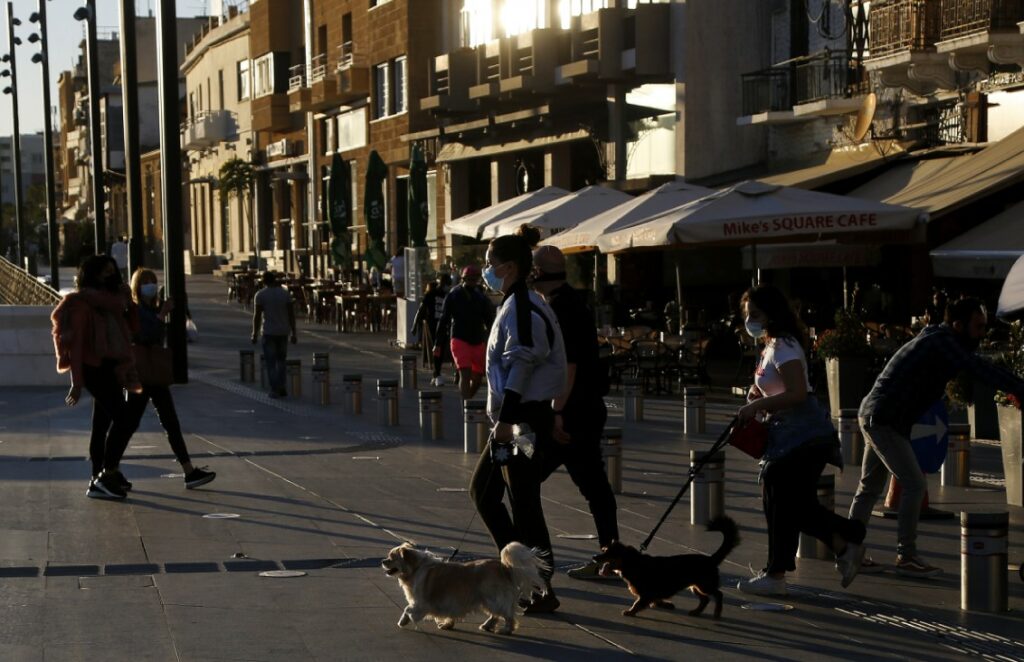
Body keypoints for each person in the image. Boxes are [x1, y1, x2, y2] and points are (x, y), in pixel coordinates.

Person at [849, 297, 1024, 577]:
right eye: (978, 327)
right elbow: (979, 368)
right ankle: (906, 554)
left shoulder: (937, 338)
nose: (983, 334)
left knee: (869, 487)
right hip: (884, 420)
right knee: (915, 485)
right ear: (958, 325)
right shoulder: (943, 343)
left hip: (876, 414)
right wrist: (1020, 388)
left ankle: (848, 550)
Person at [735, 284, 867, 597]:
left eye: (755, 314)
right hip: (790, 435)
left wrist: (756, 405)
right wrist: (759, 392)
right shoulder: (773, 344)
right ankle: (843, 546)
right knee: (792, 504)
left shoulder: (783, 345)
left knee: (782, 502)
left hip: (802, 436)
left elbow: (796, 393)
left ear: (771, 313)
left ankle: (781, 571)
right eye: (746, 315)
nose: (749, 320)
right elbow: (781, 386)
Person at [470, 234, 567, 614]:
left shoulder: (524, 307)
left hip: (523, 421)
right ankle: (519, 569)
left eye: (490, 260)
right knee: (484, 492)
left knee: (524, 504)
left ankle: (539, 584)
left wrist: (507, 419)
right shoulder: (514, 304)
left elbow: (524, 360)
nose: (487, 268)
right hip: (517, 419)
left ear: (509, 267)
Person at [529, 245, 619, 581]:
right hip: (583, 410)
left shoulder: (563, 308)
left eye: (532, 268)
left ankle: (531, 563)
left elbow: (569, 365)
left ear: (539, 272)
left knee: (524, 480)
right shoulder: (565, 302)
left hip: (570, 414)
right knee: (594, 486)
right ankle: (610, 557)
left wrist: (557, 412)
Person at [51, 255, 141, 499]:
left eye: (113, 271)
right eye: (104, 273)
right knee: (124, 419)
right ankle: (106, 473)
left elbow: (132, 328)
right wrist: (77, 384)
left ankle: (99, 475)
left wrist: (129, 302)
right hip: (94, 369)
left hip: (112, 367)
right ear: (92, 276)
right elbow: (77, 346)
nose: (110, 276)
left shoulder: (114, 302)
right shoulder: (82, 304)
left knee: (101, 425)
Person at [124, 268, 216, 489]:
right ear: (137, 286)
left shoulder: (151, 307)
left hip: (154, 374)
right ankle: (109, 468)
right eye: (145, 282)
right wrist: (161, 315)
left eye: (152, 281)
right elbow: (143, 336)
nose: (150, 285)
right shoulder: (136, 309)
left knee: (170, 422)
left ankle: (189, 470)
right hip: (142, 372)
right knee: (128, 423)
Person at [435, 264, 495, 398]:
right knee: (465, 373)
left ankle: (468, 401)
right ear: (463, 279)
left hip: (477, 340)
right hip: (459, 338)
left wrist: (493, 339)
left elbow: (489, 320)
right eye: (469, 279)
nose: (472, 282)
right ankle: (466, 406)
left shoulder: (481, 297)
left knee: (478, 378)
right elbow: (444, 319)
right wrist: (438, 343)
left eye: (475, 279)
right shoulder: (453, 295)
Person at [251, 271, 297, 398]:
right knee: (281, 361)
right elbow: (291, 315)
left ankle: (274, 388)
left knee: (271, 363)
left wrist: (254, 333)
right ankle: (282, 386)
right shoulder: (285, 294)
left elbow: (257, 316)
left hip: (269, 331)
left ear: (264, 281)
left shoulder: (260, 295)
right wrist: (294, 332)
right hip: (283, 331)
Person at [411, 279, 447, 385]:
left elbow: (420, 310)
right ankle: (437, 374)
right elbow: (421, 310)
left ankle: (436, 373)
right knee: (438, 348)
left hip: (441, 325)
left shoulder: (447, 295)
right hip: (434, 325)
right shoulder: (431, 294)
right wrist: (414, 326)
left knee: (440, 348)